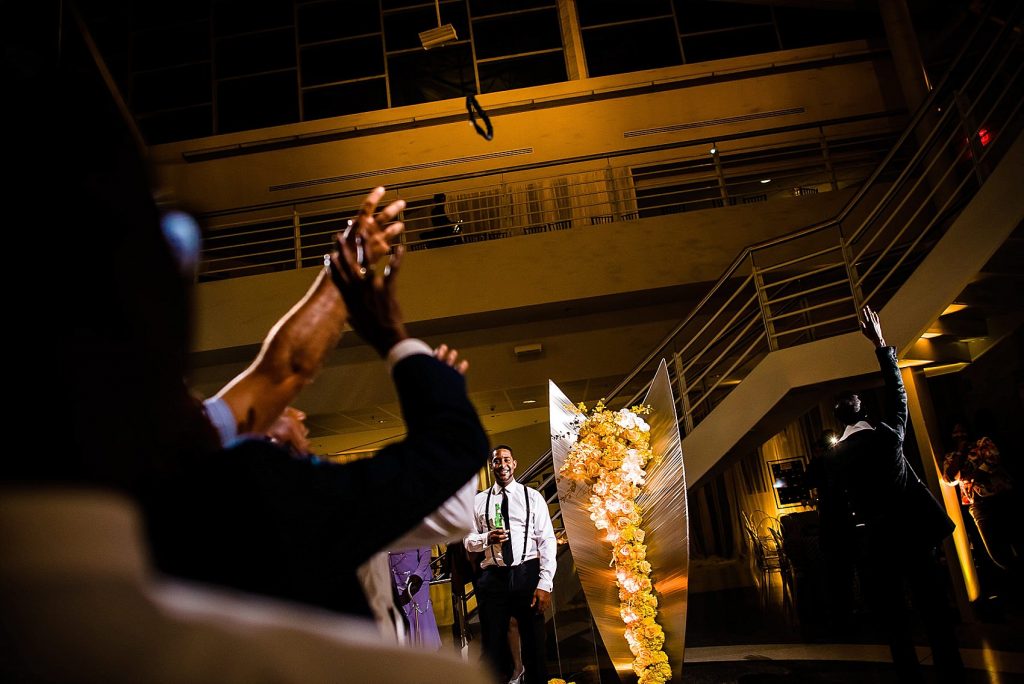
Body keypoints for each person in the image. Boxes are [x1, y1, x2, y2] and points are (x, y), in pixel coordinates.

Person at [818, 305, 964, 683]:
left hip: (877, 540)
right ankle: (951, 669)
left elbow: (836, 507)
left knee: (894, 615)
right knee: (933, 606)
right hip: (914, 533)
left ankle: (907, 673)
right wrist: (880, 343)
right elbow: (898, 393)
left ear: (840, 420)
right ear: (860, 408)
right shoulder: (888, 435)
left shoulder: (835, 458)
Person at [464, 446, 557, 684]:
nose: (502, 464)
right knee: (492, 646)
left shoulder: (532, 497)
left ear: (514, 464)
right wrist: (487, 538)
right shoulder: (478, 501)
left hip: (526, 573)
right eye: (497, 461)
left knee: (535, 644)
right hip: (493, 578)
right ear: (491, 466)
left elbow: (546, 540)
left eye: (506, 460)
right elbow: (468, 542)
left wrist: (545, 583)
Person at [942, 423, 1019, 573]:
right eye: (955, 433)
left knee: (1014, 535)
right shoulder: (951, 456)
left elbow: (993, 459)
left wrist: (973, 477)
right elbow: (950, 478)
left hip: (1001, 498)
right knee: (996, 552)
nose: (960, 435)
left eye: (962, 431)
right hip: (977, 506)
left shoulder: (982, 443)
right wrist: (960, 452)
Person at [389, 548, 443, 650]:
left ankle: (428, 654)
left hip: (417, 579)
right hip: (396, 578)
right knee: (404, 619)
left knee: (421, 617)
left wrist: (418, 573)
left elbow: (425, 551)